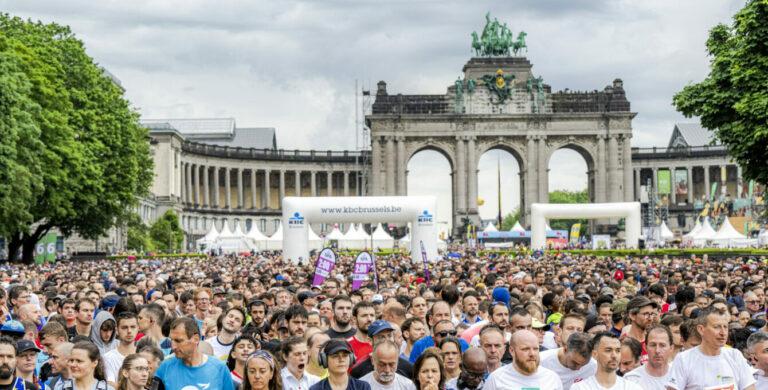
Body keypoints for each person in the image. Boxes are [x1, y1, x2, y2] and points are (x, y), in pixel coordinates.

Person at [666, 306, 756, 390]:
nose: (723, 333)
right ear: (701, 329)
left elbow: (749, 387)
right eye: (716, 327)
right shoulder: (684, 360)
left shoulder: (735, 355)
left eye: (725, 327)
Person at [150, 317, 235, 390]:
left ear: (196, 339)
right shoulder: (165, 367)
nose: (173, 347)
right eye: (171, 340)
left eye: (178, 341)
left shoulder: (220, 368)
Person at [484, 330, 562, 390]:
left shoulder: (552, 378)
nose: (532, 354)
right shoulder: (496, 378)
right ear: (512, 351)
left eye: (535, 349)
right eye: (525, 349)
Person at [571, 332, 641, 390]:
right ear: (595, 354)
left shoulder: (632, 387)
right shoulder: (580, 388)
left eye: (618, 351)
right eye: (608, 350)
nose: (614, 355)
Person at [624, 325, 673, 389]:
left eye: (662, 345)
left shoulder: (680, 377)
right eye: (652, 345)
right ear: (645, 347)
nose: (657, 350)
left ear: (671, 348)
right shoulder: (631, 379)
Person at [104, 312, 140, 387]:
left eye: (133, 327)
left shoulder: (143, 356)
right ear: (117, 331)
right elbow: (110, 384)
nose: (129, 331)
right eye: (124, 327)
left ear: (138, 329)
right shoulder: (108, 357)